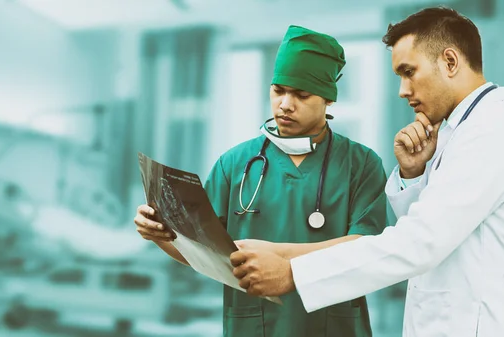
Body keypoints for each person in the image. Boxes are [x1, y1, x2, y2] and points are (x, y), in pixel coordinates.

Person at [230, 7, 504, 337]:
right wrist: (413, 174)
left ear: (450, 62)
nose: (402, 90)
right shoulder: (456, 130)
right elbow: (430, 225)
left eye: (409, 72)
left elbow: (419, 242)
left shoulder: (493, 127)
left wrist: (294, 273)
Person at [134, 25, 389, 337]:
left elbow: (368, 248)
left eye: (302, 94)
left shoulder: (361, 164)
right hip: (254, 325)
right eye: (278, 90)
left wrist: (279, 258)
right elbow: (204, 254)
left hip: (332, 325)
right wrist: (162, 236)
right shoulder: (234, 164)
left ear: (329, 99)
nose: (285, 104)